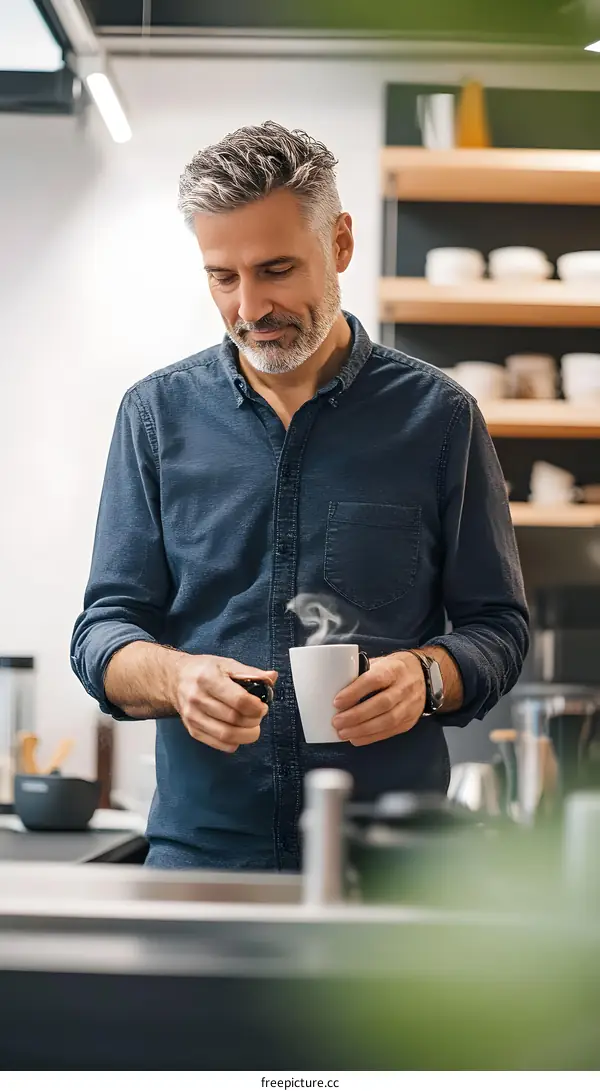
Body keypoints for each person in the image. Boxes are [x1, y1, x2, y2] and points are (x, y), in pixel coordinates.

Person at [71, 121, 529, 871]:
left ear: (340, 243)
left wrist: (427, 676)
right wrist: (178, 678)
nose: (250, 307)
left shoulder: (441, 418)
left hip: (387, 868)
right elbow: (103, 632)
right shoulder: (154, 417)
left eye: (276, 269)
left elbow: (498, 626)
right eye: (223, 276)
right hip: (203, 863)